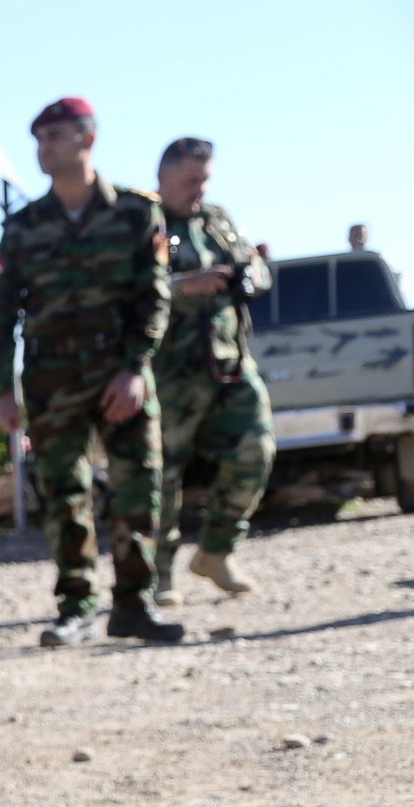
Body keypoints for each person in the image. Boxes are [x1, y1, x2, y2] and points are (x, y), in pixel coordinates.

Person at [0, 97, 179, 648]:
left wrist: (135, 368)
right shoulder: (23, 227)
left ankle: (134, 605)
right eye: (38, 140)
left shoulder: (137, 214)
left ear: (85, 140)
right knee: (64, 494)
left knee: (138, 487)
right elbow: (2, 315)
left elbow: (155, 298)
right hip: (51, 381)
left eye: (53, 137)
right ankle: (76, 607)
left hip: (120, 375)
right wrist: (4, 389)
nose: (42, 149)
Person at [150, 138, 271, 603]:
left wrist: (253, 275)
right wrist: (185, 285)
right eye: (190, 181)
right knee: (162, 475)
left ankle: (216, 552)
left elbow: (254, 266)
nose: (198, 190)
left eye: (204, 181)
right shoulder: (144, 222)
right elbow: (125, 288)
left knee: (256, 448)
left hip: (228, 364)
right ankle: (159, 574)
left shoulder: (215, 218)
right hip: (169, 373)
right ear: (164, 177)